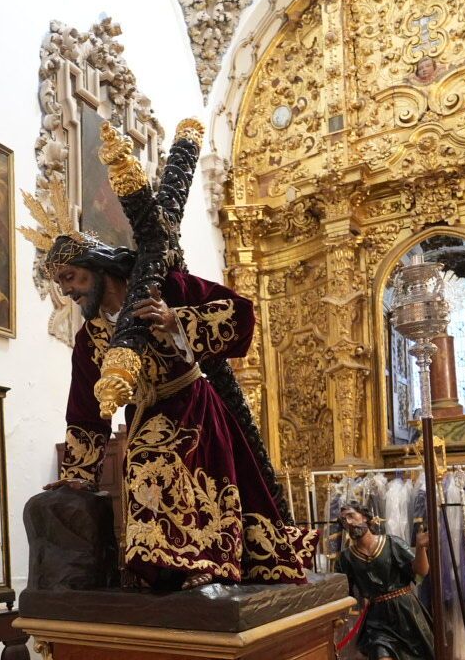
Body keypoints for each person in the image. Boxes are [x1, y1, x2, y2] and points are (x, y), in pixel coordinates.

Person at [39, 231, 315, 588]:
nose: (67, 291)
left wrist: (176, 319)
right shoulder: (89, 338)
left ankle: (207, 560)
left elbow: (240, 312)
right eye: (61, 282)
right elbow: (85, 410)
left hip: (192, 405)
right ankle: (162, 568)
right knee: (141, 461)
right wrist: (79, 472)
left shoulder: (161, 287)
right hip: (144, 414)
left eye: (71, 277)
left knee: (159, 460)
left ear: (98, 267)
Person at [334, 502, 439, 660]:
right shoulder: (346, 558)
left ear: (365, 518)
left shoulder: (391, 543)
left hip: (406, 611)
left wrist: (420, 549)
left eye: (352, 516)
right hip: (377, 618)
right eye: (344, 520)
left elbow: (421, 572)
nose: (348, 523)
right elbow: (342, 591)